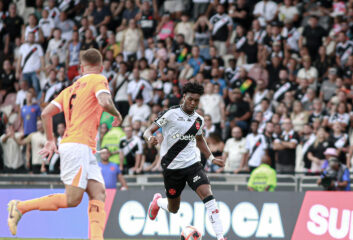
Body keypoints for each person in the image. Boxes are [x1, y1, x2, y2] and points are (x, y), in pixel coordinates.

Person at [7, 48, 123, 240]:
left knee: (98, 193)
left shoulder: (69, 90)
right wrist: (116, 113)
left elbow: (46, 114)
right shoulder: (98, 79)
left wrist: (51, 140)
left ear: (81, 67)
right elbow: (104, 101)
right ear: (101, 67)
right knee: (72, 200)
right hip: (78, 146)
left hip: (81, 147)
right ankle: (19, 207)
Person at [144, 82, 226, 240]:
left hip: (193, 165)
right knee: (173, 208)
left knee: (209, 198)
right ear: (184, 97)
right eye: (190, 99)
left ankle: (221, 237)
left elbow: (200, 140)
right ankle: (158, 202)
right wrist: (150, 138)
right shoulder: (170, 114)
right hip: (172, 167)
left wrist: (211, 158)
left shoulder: (198, 120)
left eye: (196, 100)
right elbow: (148, 130)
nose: (193, 103)